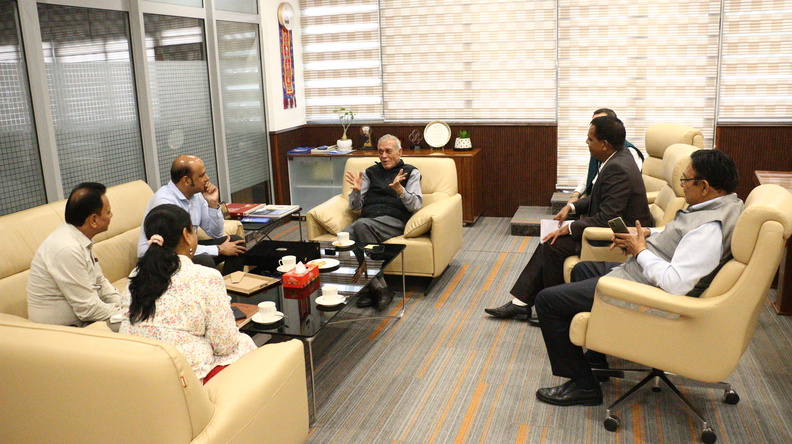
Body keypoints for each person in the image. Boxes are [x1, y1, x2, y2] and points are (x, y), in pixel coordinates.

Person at [534, 149, 743, 407]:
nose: (682, 185)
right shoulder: (724, 205)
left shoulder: (710, 229)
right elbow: (680, 235)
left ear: (705, 186)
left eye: (686, 180)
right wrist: (645, 234)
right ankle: (597, 359)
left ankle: (583, 386)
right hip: (643, 275)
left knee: (547, 301)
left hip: (652, 294)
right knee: (582, 270)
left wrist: (640, 251)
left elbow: (676, 284)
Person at [485, 116, 653, 324]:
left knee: (553, 244)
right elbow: (600, 198)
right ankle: (522, 304)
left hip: (619, 237)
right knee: (550, 240)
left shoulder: (617, 167)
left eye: (590, 139)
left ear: (604, 144)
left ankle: (553, 309)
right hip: (612, 228)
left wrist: (571, 227)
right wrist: (571, 207)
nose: (586, 142)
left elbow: (608, 218)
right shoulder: (619, 157)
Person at [121, 204, 256, 383]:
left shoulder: (136, 275)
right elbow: (225, 345)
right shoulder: (206, 277)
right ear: (186, 234)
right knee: (244, 343)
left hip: (141, 373)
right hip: (187, 379)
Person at [344, 134, 422, 310]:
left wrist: (400, 190)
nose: (384, 156)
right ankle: (379, 288)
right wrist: (356, 192)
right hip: (369, 219)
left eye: (388, 151)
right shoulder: (370, 173)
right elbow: (355, 207)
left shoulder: (411, 172)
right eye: (380, 152)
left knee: (361, 225)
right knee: (344, 236)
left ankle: (374, 289)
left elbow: (415, 205)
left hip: (394, 220)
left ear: (400, 152)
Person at [27, 182, 122, 326]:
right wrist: (126, 314)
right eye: (108, 212)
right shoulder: (67, 249)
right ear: (93, 220)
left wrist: (123, 304)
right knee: (143, 326)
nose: (112, 215)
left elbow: (100, 282)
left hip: (84, 320)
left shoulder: (79, 238)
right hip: (64, 330)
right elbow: (88, 309)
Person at [137, 155, 245, 275]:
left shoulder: (196, 195)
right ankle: (214, 287)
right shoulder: (165, 202)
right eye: (201, 175)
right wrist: (218, 249)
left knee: (236, 243)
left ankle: (231, 286)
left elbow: (216, 233)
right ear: (186, 181)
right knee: (204, 261)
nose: (207, 178)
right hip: (159, 258)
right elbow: (176, 247)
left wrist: (213, 204)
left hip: (184, 248)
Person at [567, 108, 644, 205]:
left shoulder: (628, 153)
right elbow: (589, 175)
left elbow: (623, 189)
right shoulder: (599, 150)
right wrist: (576, 194)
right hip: (595, 197)